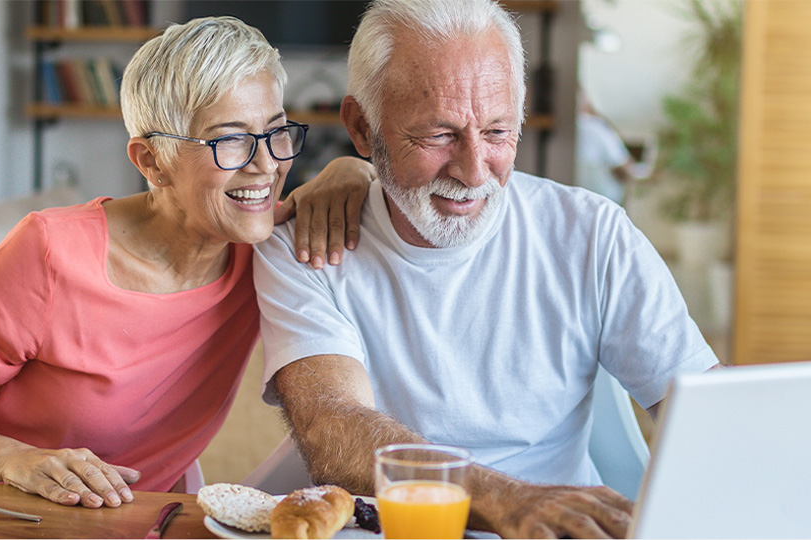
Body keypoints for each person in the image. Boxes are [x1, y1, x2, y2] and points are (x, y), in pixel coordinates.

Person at [252, 0, 719, 537]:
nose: (475, 171)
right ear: (362, 127)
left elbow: (704, 412)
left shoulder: (592, 233)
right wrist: (508, 501)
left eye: (498, 132)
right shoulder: (308, 243)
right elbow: (335, 428)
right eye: (438, 136)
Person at [0, 16, 372, 509]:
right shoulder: (50, 253)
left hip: (120, 523)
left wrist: (353, 169)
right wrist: (17, 459)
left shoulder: (268, 247)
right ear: (150, 161)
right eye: (230, 140)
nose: (266, 164)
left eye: (277, 132)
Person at [575, 89, 647, 205]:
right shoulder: (595, 127)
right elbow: (623, 170)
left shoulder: (576, 126)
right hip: (603, 199)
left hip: (579, 195)